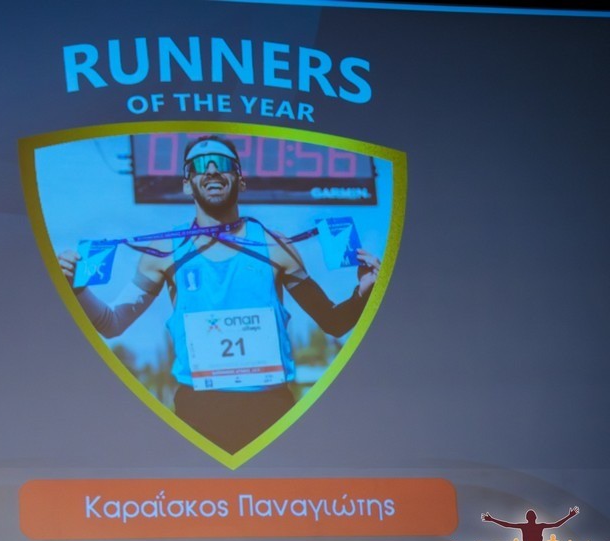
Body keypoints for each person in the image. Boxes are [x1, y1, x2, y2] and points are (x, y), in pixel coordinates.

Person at [59, 135, 380, 452]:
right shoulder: (164, 251)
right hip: (198, 413)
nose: (212, 170)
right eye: (200, 165)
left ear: (240, 180)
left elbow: (334, 322)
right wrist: (77, 289)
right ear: (187, 184)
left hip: (271, 410)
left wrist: (364, 292)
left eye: (223, 163)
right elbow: (111, 323)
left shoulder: (276, 246)